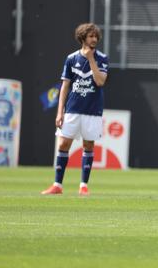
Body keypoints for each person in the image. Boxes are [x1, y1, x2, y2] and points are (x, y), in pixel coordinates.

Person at [41, 23, 109, 196]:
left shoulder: (102, 58)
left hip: (92, 110)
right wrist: (59, 112)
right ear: (82, 38)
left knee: (88, 145)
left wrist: (91, 59)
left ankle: (83, 186)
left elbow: (100, 81)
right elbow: (65, 86)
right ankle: (57, 185)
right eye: (90, 36)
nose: (94, 39)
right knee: (64, 144)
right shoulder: (71, 58)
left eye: (95, 36)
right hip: (72, 109)